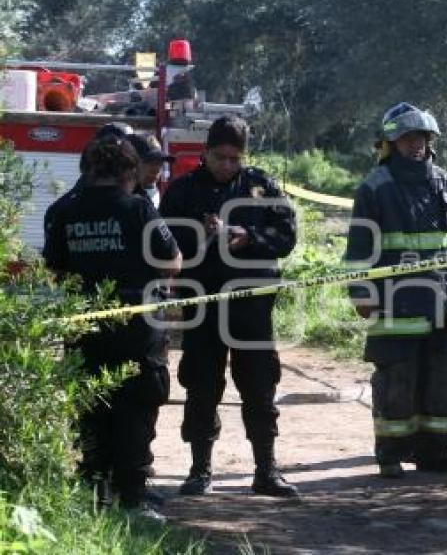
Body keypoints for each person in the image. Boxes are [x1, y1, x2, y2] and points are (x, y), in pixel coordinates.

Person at [343, 102, 447, 478]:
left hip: (440, 304)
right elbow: (359, 248)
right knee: (396, 384)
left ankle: (435, 454)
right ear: (391, 143)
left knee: (440, 385)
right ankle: (390, 456)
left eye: (421, 136)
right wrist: (361, 292)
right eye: (407, 138)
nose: (416, 144)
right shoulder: (375, 187)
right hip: (394, 304)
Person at [42, 134, 182, 519]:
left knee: (90, 410)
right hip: (137, 333)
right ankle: (133, 501)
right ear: (128, 172)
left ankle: (92, 498)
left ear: (86, 170)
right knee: (135, 412)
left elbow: (53, 270)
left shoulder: (62, 212)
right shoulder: (138, 209)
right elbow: (171, 262)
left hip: (85, 332)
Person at [158, 115, 299, 497]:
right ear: (205, 153)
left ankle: (266, 471)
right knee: (202, 384)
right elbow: (162, 242)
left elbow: (287, 237)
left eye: (234, 158)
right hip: (203, 306)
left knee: (259, 385)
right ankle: (199, 470)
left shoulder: (261, 186)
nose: (226, 165)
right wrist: (196, 233)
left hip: (251, 307)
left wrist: (247, 236)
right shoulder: (183, 191)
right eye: (219, 156)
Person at [126, 133, 174, 208]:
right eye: (149, 161)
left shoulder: (163, 196)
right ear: (130, 163)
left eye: (160, 162)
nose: (157, 169)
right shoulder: (116, 198)